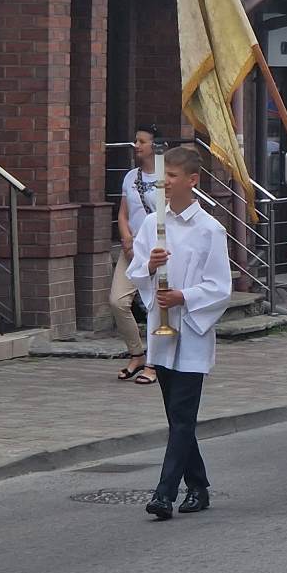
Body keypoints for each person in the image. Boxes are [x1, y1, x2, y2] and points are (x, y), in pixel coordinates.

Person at [128, 147, 234, 520]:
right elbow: (136, 271)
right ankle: (199, 486)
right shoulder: (152, 224)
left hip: (191, 331)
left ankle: (164, 493)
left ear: (192, 180)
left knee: (183, 414)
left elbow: (220, 287)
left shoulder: (209, 229)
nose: (165, 183)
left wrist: (184, 296)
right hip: (163, 332)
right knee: (177, 417)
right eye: (163, 176)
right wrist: (149, 266)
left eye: (172, 176)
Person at [108, 127, 161, 385]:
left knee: (156, 307)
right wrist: (126, 239)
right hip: (131, 249)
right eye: (135, 141)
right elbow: (123, 213)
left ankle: (154, 363)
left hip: (157, 250)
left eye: (142, 141)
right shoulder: (130, 176)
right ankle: (137, 354)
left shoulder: (167, 175)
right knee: (117, 301)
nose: (136, 145)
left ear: (154, 146)